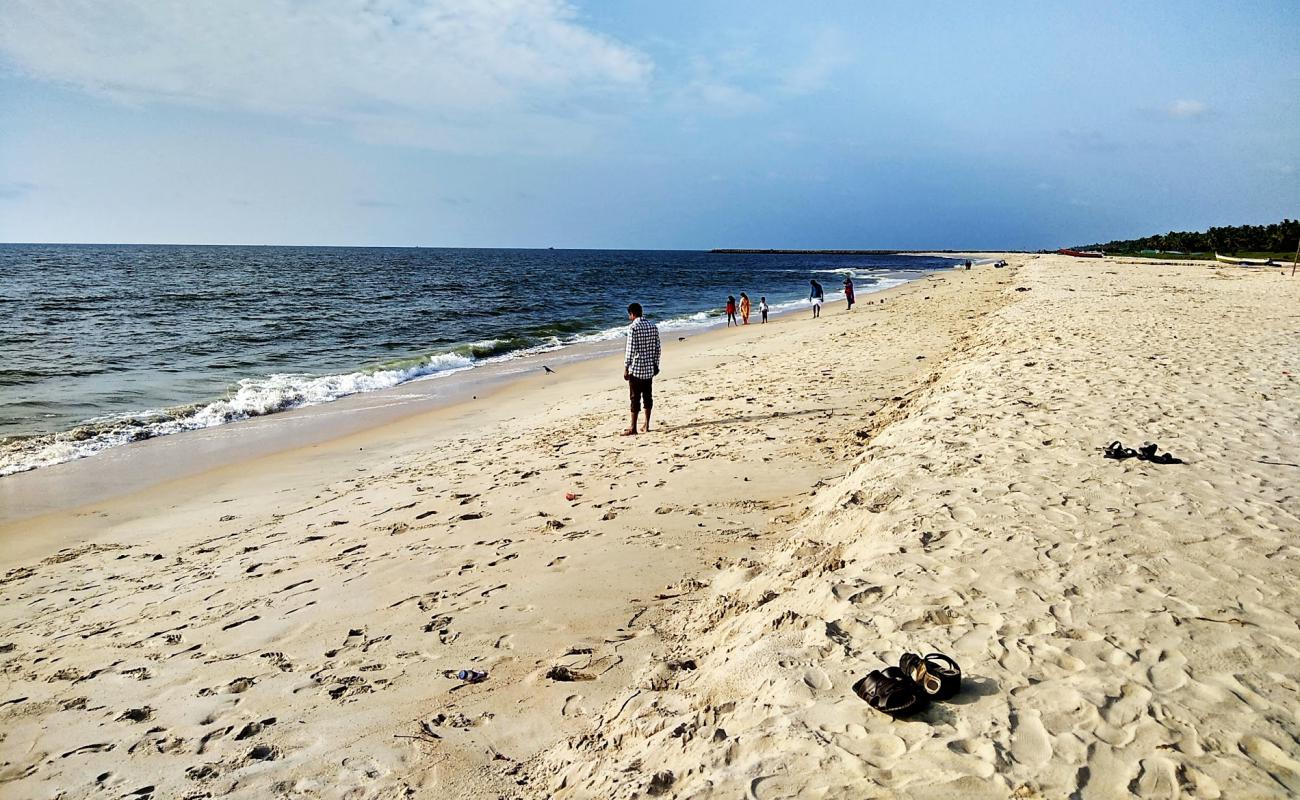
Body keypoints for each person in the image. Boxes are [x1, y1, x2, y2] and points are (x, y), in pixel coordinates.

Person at [623, 302, 661, 435]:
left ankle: (633, 427)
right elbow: (657, 348)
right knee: (647, 396)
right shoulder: (653, 327)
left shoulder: (633, 328)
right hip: (649, 368)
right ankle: (647, 424)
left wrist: (626, 367)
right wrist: (656, 364)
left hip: (637, 368)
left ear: (632, 314)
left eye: (629, 315)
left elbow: (630, 350)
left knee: (634, 398)